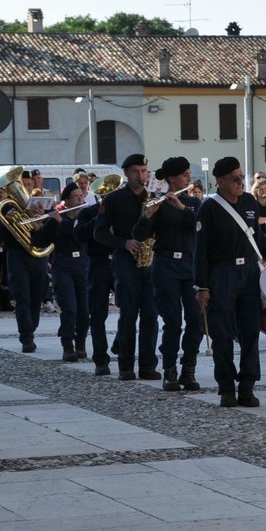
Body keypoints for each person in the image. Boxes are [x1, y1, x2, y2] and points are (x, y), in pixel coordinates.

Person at [195, 157, 266, 407]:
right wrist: (202, 286)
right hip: (221, 274)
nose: (240, 181)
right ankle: (226, 387)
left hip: (249, 273)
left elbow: (258, 238)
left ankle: (247, 386)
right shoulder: (209, 208)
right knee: (221, 333)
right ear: (220, 181)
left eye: (241, 177)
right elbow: (200, 251)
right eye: (235, 178)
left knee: (250, 330)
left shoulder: (249, 201)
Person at [136, 157, 203, 389]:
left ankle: (189, 368)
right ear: (173, 178)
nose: (189, 178)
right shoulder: (158, 203)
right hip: (165, 265)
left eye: (188, 173)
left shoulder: (193, 204)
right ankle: (169, 368)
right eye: (184, 174)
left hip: (190, 266)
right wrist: (148, 215)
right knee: (172, 321)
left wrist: (183, 208)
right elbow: (139, 234)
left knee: (196, 320)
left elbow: (200, 228)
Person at [94, 154, 159, 380]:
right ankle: (126, 366)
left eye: (144, 171)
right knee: (128, 315)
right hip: (125, 260)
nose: (141, 176)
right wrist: (124, 242)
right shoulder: (113, 200)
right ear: (126, 173)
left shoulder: (154, 197)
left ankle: (148, 365)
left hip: (151, 262)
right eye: (135, 172)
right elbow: (98, 232)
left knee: (151, 315)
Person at [0, 180, 60, 353]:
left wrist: (42, 220)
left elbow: (51, 235)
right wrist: (6, 222)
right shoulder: (9, 210)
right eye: (24, 186)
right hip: (17, 256)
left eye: (28, 186)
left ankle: (31, 328)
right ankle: (27, 337)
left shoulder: (41, 210)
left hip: (38, 257)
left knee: (37, 297)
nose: (26, 190)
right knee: (22, 297)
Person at [75, 181, 116, 374]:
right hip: (98, 263)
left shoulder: (123, 211)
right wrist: (99, 216)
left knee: (131, 308)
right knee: (98, 314)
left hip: (120, 262)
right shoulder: (88, 212)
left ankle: (120, 343)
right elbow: (79, 234)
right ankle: (101, 359)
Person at [48, 183, 91, 361]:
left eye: (81, 196)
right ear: (66, 200)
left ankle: (80, 344)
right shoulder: (57, 218)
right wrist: (36, 225)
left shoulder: (86, 217)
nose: (80, 199)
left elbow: (78, 235)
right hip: (63, 265)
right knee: (69, 308)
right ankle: (67, 345)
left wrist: (61, 222)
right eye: (76, 196)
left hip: (82, 264)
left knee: (84, 309)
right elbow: (40, 240)